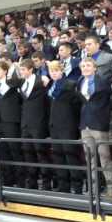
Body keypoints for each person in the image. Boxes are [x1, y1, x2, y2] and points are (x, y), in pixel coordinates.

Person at [77, 58, 112, 197]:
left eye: (88, 65)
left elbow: (109, 102)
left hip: (100, 125)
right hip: (85, 125)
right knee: (90, 159)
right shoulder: (80, 82)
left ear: (95, 68)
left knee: (105, 158)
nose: (85, 68)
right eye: (83, 66)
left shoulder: (104, 82)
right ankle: (93, 189)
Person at [47, 60, 83, 194]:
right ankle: (64, 186)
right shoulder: (51, 86)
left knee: (71, 157)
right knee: (58, 157)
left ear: (62, 71)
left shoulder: (71, 84)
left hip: (68, 126)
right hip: (54, 125)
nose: (54, 73)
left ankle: (77, 187)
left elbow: (77, 106)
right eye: (51, 71)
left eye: (56, 70)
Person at [16, 59, 51, 190]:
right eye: (20, 70)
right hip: (25, 124)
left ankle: (47, 184)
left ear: (31, 69)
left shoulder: (41, 81)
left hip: (39, 123)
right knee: (28, 154)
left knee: (41, 154)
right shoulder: (21, 83)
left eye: (23, 70)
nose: (21, 72)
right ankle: (32, 182)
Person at [0, 61, 23, 187]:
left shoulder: (12, 83)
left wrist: (12, 69)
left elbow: (19, 81)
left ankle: (20, 179)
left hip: (11, 120)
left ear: (5, 71)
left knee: (14, 150)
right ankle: (8, 179)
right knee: (2, 151)